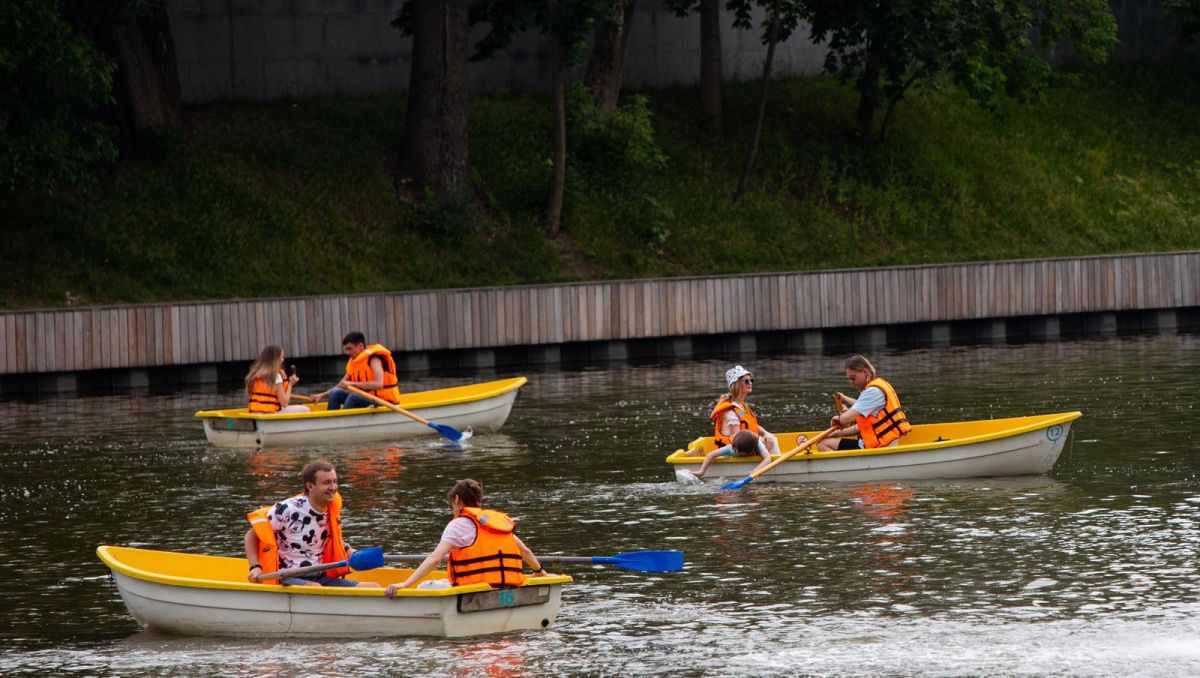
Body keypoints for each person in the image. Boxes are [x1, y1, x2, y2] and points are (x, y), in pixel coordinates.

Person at [385, 479, 546, 595]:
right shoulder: (495, 523)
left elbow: (435, 559)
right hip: (506, 587)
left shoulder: (457, 525)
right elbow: (525, 551)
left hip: (472, 593)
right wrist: (540, 572)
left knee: (423, 586)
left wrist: (405, 584)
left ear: (456, 500)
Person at [244, 459, 381, 588]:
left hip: (318, 575)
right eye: (327, 483)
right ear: (310, 486)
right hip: (287, 576)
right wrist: (255, 567)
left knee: (373, 587)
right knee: (315, 589)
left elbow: (328, 539)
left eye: (334, 482)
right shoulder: (287, 510)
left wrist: (350, 551)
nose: (333, 487)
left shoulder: (331, 509)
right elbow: (252, 535)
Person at [818, 354, 911, 451]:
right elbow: (860, 425)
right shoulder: (878, 386)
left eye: (853, 378)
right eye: (849, 378)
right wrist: (836, 433)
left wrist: (838, 419)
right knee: (829, 440)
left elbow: (846, 419)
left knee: (823, 444)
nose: (851, 382)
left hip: (878, 447)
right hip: (880, 443)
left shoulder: (872, 392)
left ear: (865, 372)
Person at [309, 331, 401, 411]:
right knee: (335, 393)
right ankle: (331, 422)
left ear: (360, 346)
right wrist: (321, 395)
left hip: (383, 401)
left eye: (350, 348)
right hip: (366, 399)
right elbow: (341, 385)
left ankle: (342, 422)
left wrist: (353, 384)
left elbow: (379, 384)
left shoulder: (374, 359)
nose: (348, 352)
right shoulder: (354, 362)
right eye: (346, 349)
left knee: (353, 397)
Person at [710, 365, 783, 456]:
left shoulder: (741, 406)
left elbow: (751, 424)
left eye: (751, 380)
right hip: (736, 450)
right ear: (737, 384)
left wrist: (765, 433)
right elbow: (737, 439)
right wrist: (759, 443)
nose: (750, 383)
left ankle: (773, 462)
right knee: (771, 442)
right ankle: (774, 464)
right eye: (746, 381)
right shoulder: (730, 412)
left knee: (771, 438)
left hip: (746, 442)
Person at [245, 345, 309, 414]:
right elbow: (284, 403)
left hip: (254, 413)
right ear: (276, 359)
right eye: (282, 357)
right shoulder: (276, 376)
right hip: (269, 414)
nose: (283, 360)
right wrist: (290, 384)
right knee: (306, 409)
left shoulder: (255, 374)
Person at [691, 430, 764, 479]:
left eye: (740, 452)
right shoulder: (732, 448)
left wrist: (756, 470)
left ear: (749, 451)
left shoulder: (758, 445)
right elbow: (711, 455)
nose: (736, 452)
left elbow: (768, 459)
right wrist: (701, 471)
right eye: (735, 449)